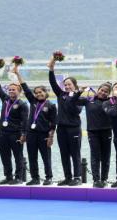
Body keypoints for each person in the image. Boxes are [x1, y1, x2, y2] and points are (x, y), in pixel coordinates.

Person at [13, 66, 56, 186]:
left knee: (46, 158)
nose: (38, 94)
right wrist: (17, 73)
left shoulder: (51, 106)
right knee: (32, 158)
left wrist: (51, 137)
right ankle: (35, 178)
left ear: (45, 92)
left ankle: (49, 178)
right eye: (36, 93)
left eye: (40, 92)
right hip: (31, 135)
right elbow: (25, 88)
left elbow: (53, 124)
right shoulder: (33, 101)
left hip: (44, 135)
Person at [48, 56, 83, 186]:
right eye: (65, 84)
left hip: (73, 128)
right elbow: (52, 82)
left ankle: (77, 177)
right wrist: (52, 68)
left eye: (69, 84)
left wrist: (73, 98)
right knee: (64, 154)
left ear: (75, 86)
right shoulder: (61, 95)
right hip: (61, 129)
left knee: (75, 153)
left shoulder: (78, 97)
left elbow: (77, 111)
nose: (67, 86)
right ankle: (68, 177)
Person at [0, 64, 28, 185]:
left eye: (14, 89)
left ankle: (18, 177)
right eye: (10, 89)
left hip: (16, 134)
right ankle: (8, 176)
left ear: (19, 92)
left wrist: (23, 134)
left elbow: (25, 121)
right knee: (5, 156)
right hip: (2, 134)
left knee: (18, 156)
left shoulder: (22, 105)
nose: (11, 91)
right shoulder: (5, 99)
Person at [71, 83, 112, 188]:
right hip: (93, 132)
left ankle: (104, 179)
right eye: (101, 90)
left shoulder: (111, 101)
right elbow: (73, 101)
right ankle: (96, 180)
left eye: (106, 91)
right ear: (98, 90)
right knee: (95, 156)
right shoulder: (88, 100)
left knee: (106, 157)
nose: (103, 93)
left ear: (109, 93)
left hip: (106, 132)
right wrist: (79, 91)